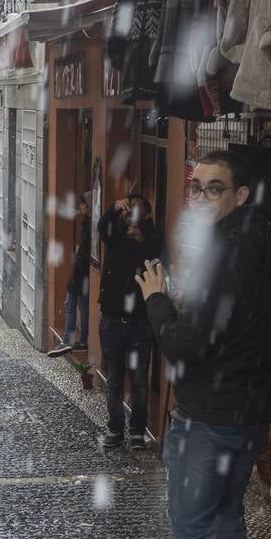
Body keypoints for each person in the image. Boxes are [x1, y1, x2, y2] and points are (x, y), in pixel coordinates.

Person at [134, 151, 271, 539]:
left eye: (212, 189)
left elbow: (186, 345)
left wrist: (157, 302)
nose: (197, 198)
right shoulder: (266, 245)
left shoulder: (222, 254)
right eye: (194, 187)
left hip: (210, 415)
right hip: (248, 412)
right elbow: (236, 326)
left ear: (241, 196)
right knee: (225, 520)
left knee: (194, 528)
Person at [96, 192, 164, 451]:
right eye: (129, 209)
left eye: (137, 209)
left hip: (139, 320)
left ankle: (137, 431)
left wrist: (142, 241)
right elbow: (102, 227)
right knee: (113, 378)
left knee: (138, 380)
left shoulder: (152, 238)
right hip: (112, 318)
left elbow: (158, 258)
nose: (131, 213)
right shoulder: (115, 235)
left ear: (146, 215)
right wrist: (114, 208)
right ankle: (115, 429)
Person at [48, 194, 92, 357]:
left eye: (82, 205)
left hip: (81, 274)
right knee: (79, 306)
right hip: (81, 274)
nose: (79, 207)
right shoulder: (87, 225)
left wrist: (78, 269)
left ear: (88, 206)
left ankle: (69, 341)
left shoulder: (89, 227)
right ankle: (78, 340)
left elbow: (85, 253)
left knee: (73, 305)